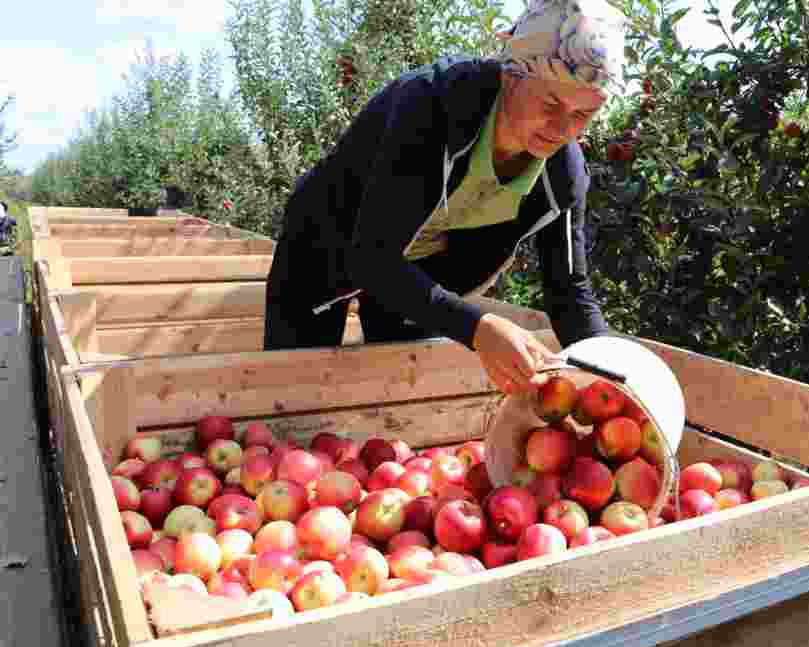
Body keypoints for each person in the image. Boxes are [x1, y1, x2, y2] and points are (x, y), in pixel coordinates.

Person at [264, 0, 628, 395]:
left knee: (395, 396)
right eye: (550, 104)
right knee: (292, 393)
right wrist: (475, 327)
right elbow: (370, 258)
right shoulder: (432, 108)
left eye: (582, 115)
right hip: (325, 242)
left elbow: (569, 292)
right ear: (512, 76)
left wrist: (613, 375)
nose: (562, 129)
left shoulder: (561, 174)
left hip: (417, 269)